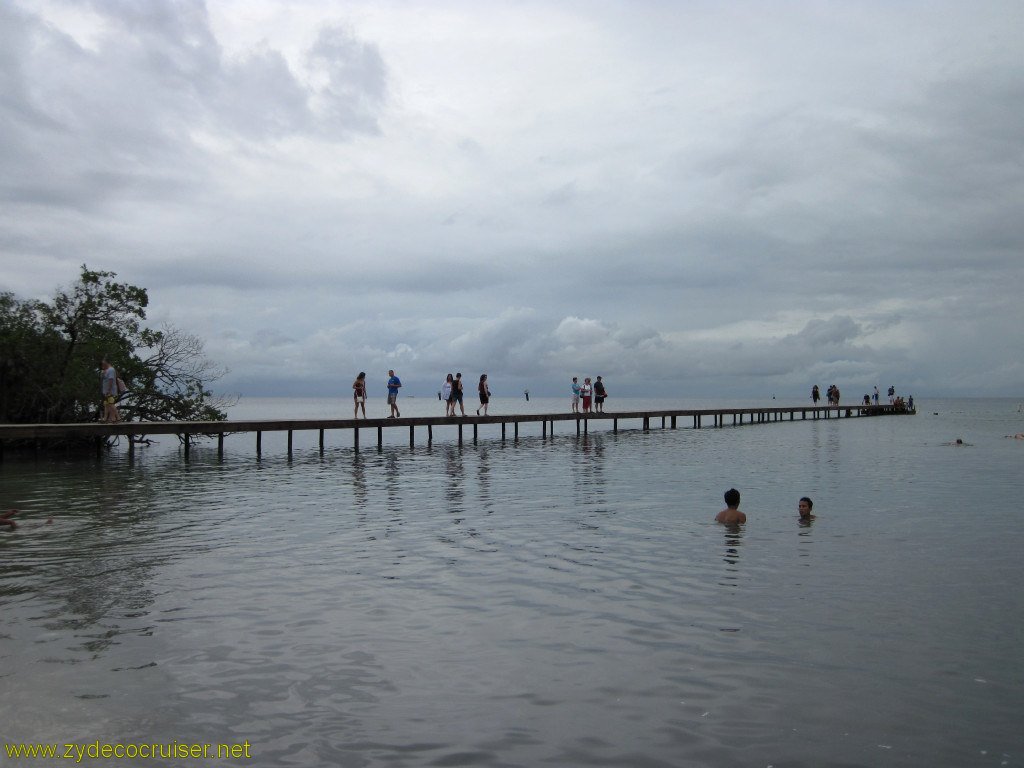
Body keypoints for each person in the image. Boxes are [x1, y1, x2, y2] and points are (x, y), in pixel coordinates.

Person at [100, 358, 121, 423]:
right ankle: (105, 418)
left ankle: (117, 418)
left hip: (110, 391)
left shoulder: (111, 370)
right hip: (106, 391)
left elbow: (111, 380)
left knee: (111, 404)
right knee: (106, 404)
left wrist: (108, 390)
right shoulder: (106, 370)